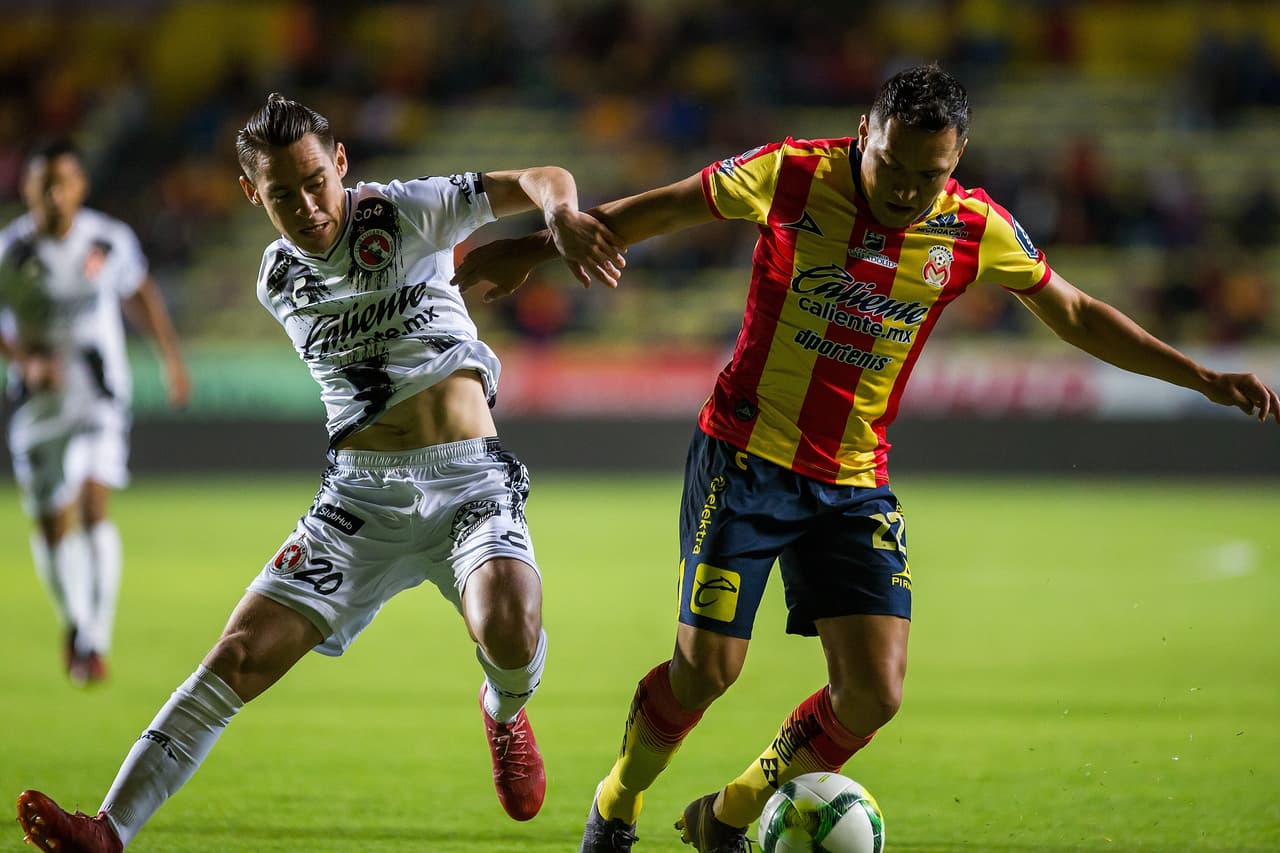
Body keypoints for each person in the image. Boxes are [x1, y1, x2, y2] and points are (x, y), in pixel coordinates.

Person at [450, 64, 1280, 853]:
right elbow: (660, 210)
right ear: (862, 135)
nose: (908, 188)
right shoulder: (795, 174)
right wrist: (531, 247)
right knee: (705, 674)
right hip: (746, 456)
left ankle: (733, 809)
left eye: (931, 173)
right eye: (893, 163)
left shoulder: (973, 227)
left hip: (853, 480)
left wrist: (1197, 375)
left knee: (875, 692)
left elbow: (1076, 312)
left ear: (955, 164)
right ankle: (618, 799)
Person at [14, 93, 625, 852]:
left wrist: (558, 216)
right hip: (358, 496)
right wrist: (464, 288)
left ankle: (504, 712)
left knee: (509, 621)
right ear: (251, 195)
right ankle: (107, 829)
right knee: (236, 655)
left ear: (341, 164)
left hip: (466, 479)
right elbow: (399, 320)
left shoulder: (410, 210)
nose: (306, 206)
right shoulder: (278, 281)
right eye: (280, 194)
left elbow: (543, 174)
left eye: (315, 181)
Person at [0, 138, 190, 687]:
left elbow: (139, 292)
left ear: (81, 186)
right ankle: (75, 621)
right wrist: (23, 361)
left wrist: (170, 359)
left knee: (91, 502)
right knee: (51, 522)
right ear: (28, 189)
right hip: (38, 405)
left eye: (65, 183)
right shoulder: (12, 254)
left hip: (100, 397)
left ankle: (96, 638)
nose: (56, 196)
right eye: (45, 186)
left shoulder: (108, 239)